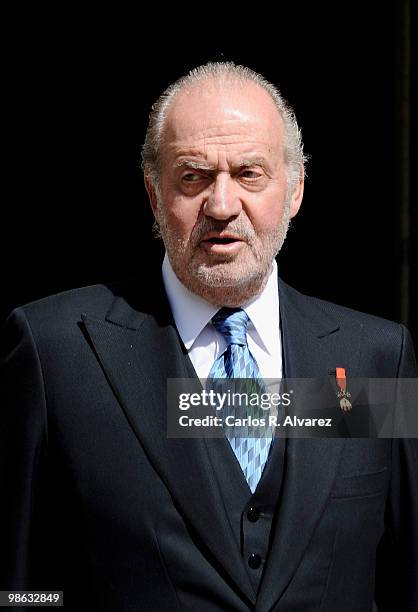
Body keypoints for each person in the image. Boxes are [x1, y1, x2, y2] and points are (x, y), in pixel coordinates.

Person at [1, 62, 417, 612]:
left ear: (294, 191)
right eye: (194, 176)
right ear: (153, 193)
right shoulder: (55, 354)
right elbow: (19, 589)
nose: (221, 207)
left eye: (249, 174)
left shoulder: (374, 360)